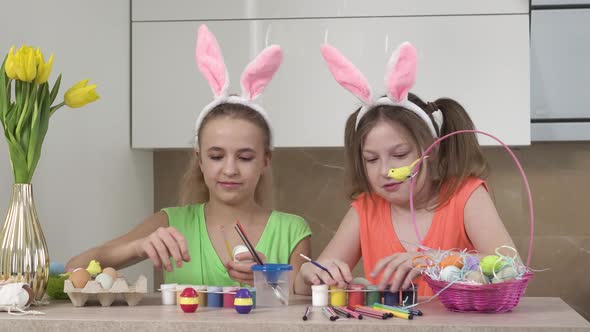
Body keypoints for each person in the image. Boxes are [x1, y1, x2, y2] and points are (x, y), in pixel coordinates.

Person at [67, 25, 311, 291]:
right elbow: (74, 268)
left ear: (265, 160)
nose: (230, 169)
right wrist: (137, 247)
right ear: (200, 160)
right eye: (216, 156)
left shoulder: (292, 230)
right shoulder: (170, 223)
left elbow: (303, 303)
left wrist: (270, 278)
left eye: (245, 157)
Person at [295, 41, 516, 296]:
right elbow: (304, 289)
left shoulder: (465, 196)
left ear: (431, 152)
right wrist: (308, 275)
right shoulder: (366, 209)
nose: (384, 170)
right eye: (371, 159)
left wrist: (436, 260)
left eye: (399, 155)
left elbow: (512, 268)